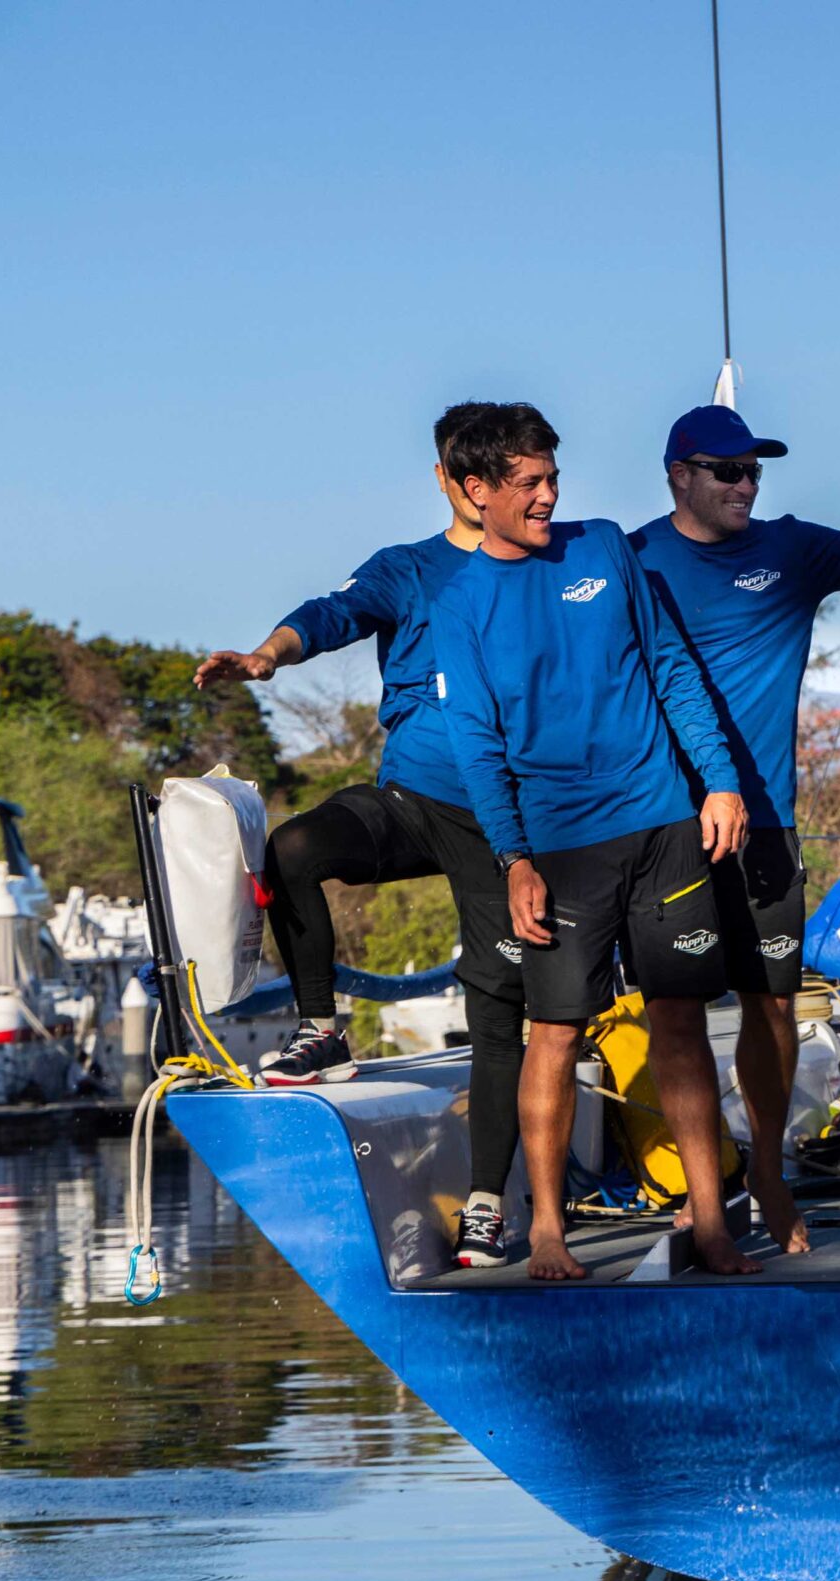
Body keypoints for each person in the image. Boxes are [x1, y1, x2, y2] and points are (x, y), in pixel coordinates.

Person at [193, 402, 531, 1269]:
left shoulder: (550, 564)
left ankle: (489, 1206)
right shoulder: (408, 568)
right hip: (413, 798)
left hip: (507, 824)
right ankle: (322, 1026)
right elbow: (331, 612)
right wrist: (267, 656)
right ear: (452, 481)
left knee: (497, 1006)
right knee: (297, 848)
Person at [428, 405, 757, 1282]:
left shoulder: (605, 547)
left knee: (680, 1026)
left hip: (663, 827)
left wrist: (717, 780)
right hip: (562, 851)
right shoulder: (457, 607)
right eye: (528, 483)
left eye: (552, 478)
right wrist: (515, 860)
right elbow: (477, 744)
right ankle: (545, 1232)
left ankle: (713, 1224)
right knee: (555, 1034)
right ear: (475, 491)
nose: (549, 495)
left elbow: (672, 668)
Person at [629, 404, 840, 1256]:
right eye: (727, 471)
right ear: (679, 476)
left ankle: (767, 1170)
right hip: (666, 826)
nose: (747, 484)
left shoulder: (790, 548)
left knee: (773, 1007)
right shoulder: (632, 560)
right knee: (673, 1012)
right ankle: (710, 1200)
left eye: (753, 471)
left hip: (768, 817)